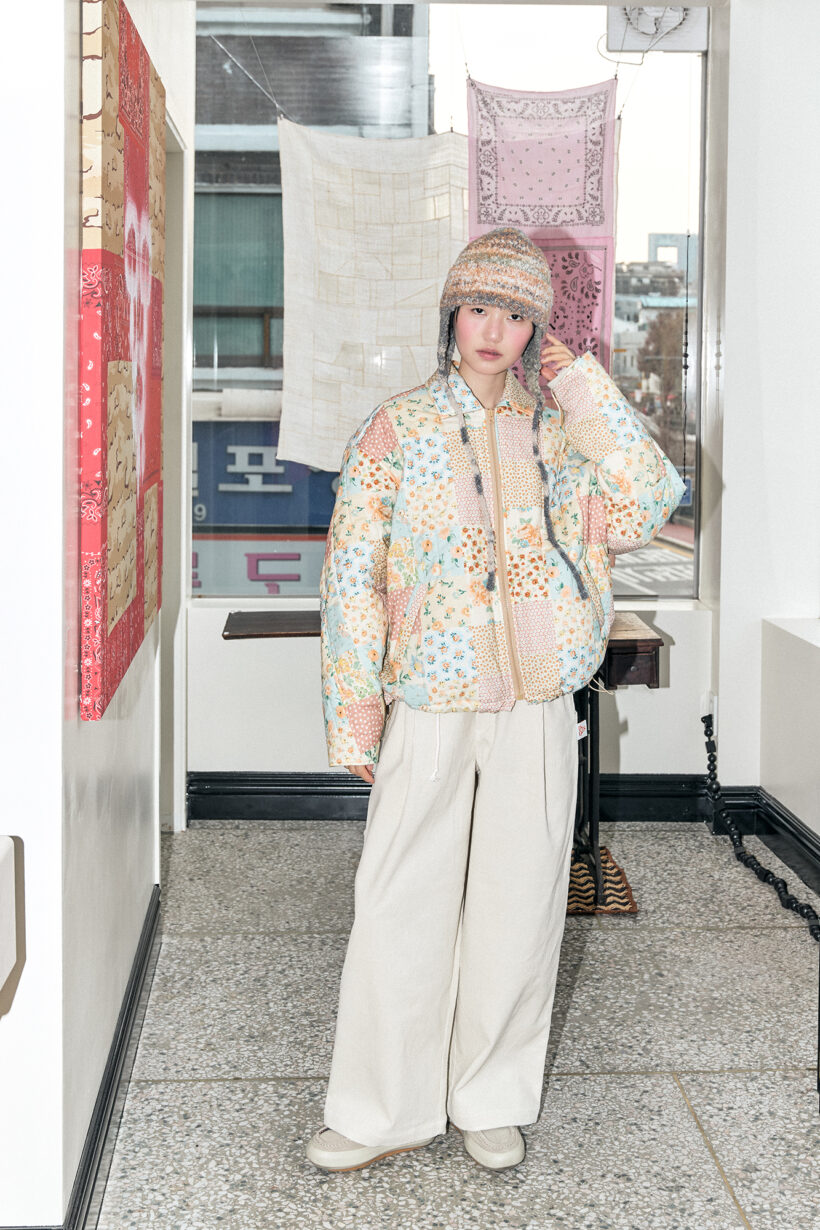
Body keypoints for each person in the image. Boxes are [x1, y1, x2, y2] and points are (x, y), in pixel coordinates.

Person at [307, 228, 684, 1173]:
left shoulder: (560, 434)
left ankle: (490, 1096)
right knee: (398, 896)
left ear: (535, 333)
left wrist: (579, 384)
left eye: (517, 316)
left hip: (538, 699)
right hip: (430, 695)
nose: (493, 330)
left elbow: (648, 501)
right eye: (479, 308)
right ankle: (382, 1109)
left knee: (521, 901)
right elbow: (350, 577)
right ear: (452, 313)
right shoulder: (396, 429)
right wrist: (355, 710)